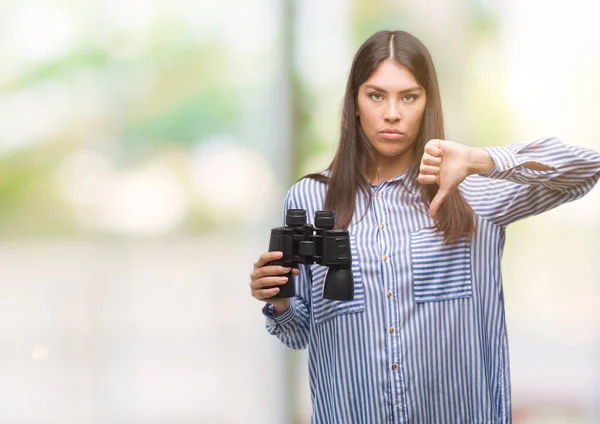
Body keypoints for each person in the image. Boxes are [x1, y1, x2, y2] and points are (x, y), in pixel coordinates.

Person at [249, 30, 600, 424]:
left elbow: (587, 168)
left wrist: (480, 159)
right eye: (376, 95)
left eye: (409, 97)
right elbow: (298, 334)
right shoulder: (310, 201)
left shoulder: (475, 190)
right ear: (355, 103)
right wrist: (277, 301)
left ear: (428, 101)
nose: (392, 113)